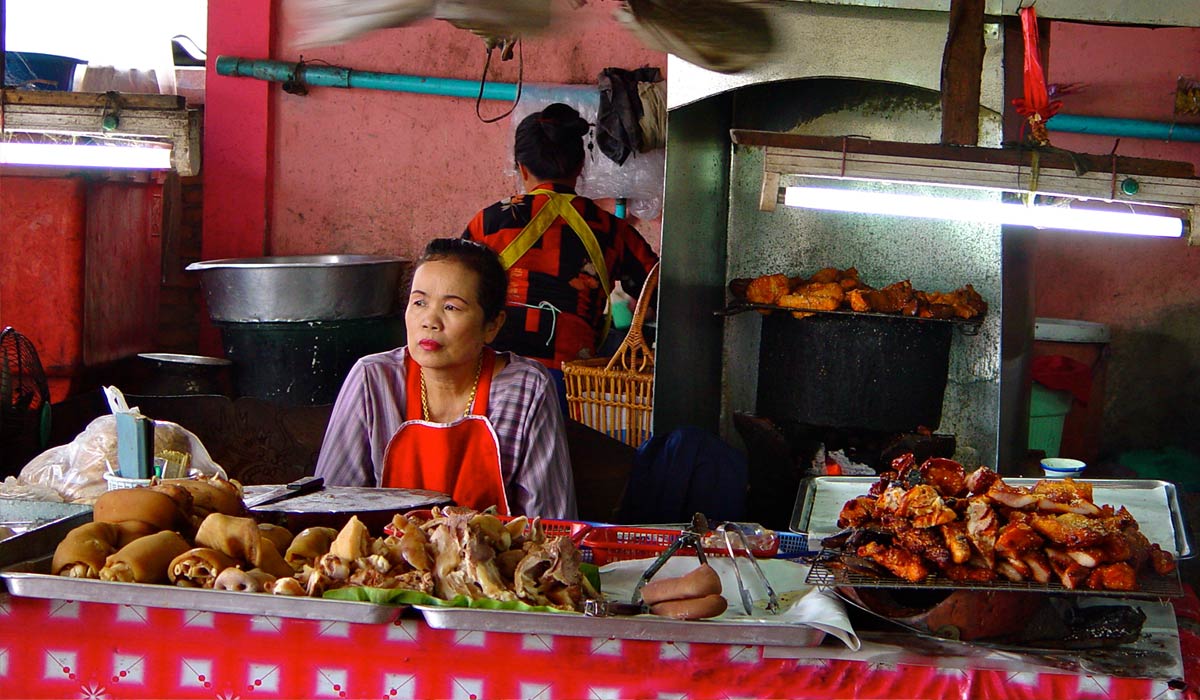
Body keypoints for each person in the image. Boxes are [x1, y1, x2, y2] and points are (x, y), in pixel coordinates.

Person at [314, 238, 577, 519]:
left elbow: (552, 524)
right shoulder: (373, 379)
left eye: (451, 307)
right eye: (419, 302)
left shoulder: (526, 388)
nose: (430, 321)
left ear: (492, 326)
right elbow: (330, 508)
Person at [463, 102, 659, 372]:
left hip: (492, 373)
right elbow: (659, 292)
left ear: (521, 168)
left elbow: (455, 294)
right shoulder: (613, 231)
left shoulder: (487, 223)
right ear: (580, 166)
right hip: (572, 381)